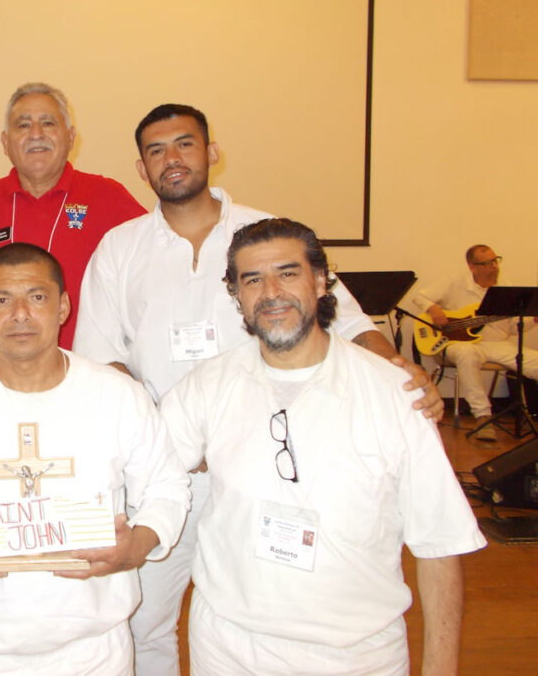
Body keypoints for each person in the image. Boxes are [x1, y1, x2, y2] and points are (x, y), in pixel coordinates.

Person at [74, 103, 444, 675]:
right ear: (142, 168)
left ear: (211, 152)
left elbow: (349, 322)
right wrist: (159, 443)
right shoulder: (119, 248)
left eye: (185, 144)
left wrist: (402, 374)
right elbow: (103, 357)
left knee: (265, 602)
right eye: (156, 150)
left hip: (262, 462)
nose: (172, 159)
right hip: (165, 469)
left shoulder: (267, 234)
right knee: (144, 620)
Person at [159, 217, 485, 675]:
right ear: (236, 296)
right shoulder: (207, 386)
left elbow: (439, 543)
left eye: (287, 273)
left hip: (358, 656)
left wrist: (440, 669)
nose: (271, 292)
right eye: (252, 280)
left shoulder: (395, 395)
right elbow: (143, 465)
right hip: (228, 650)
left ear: (320, 282)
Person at [0, 243, 190, 675]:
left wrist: (136, 547)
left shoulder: (117, 395)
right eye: (2, 300)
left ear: (63, 306)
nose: (20, 314)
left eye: (37, 297)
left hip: (93, 651)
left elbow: (166, 487)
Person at [0, 82, 147, 348]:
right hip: (5, 364)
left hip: (87, 363)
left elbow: (153, 260)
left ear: (70, 137)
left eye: (48, 123)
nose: (36, 134)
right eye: (23, 125)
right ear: (5, 142)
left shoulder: (108, 196)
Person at [412, 244, 538, 440]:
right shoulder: (455, 282)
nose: (494, 267)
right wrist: (433, 309)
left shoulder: (506, 288)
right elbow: (419, 296)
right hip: (459, 343)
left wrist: (533, 320)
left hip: (498, 344)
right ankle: (483, 416)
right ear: (472, 266)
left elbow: (514, 328)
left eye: (495, 261)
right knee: (466, 353)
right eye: (487, 263)